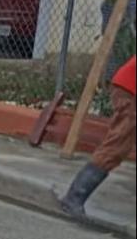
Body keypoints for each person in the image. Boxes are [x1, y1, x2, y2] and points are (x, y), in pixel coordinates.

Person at [57, 55, 136, 218]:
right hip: (130, 89)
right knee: (117, 146)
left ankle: (74, 198)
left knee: (119, 144)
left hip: (128, 86)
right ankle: (74, 197)